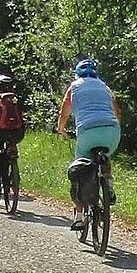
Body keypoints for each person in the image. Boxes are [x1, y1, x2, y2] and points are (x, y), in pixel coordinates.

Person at [56, 57, 122, 226]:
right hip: (112, 131)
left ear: (77, 74)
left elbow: (64, 113)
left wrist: (61, 129)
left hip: (87, 131)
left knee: (80, 170)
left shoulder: (74, 87)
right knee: (105, 157)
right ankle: (109, 185)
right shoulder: (105, 87)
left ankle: (79, 218)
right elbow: (117, 112)